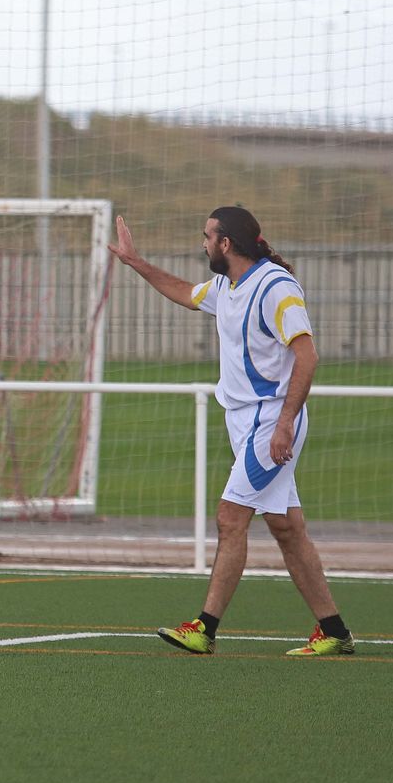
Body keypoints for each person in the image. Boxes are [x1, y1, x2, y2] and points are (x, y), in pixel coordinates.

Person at [109, 207, 354, 656]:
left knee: (229, 517)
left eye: (207, 236)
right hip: (245, 422)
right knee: (285, 527)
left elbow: (307, 357)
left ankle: (204, 628)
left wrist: (284, 424)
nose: (202, 243)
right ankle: (335, 631)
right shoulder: (226, 286)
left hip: (271, 421)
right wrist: (136, 262)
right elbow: (184, 292)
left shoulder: (276, 287)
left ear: (226, 243)